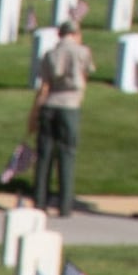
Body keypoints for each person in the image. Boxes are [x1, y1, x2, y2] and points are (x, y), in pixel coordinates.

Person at [29, 14, 91, 218]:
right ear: (74, 34)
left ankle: (40, 202)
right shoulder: (83, 52)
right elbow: (85, 76)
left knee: (44, 155)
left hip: (50, 104)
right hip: (69, 106)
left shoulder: (49, 54)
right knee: (67, 155)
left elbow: (44, 86)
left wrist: (34, 113)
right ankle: (65, 205)